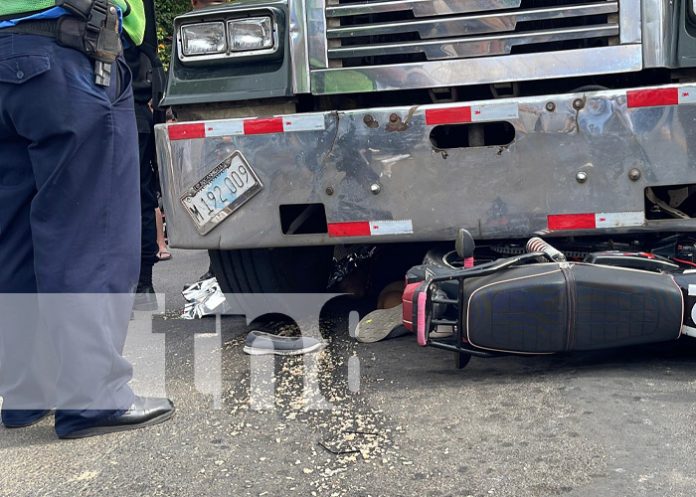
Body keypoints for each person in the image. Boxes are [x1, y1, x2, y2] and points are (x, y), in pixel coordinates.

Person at [0, 0, 174, 439]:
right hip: (67, 50)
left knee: (13, 239)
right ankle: (92, 395)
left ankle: (25, 394)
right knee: (89, 232)